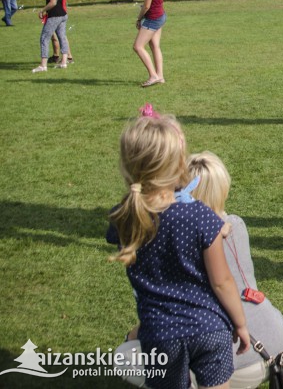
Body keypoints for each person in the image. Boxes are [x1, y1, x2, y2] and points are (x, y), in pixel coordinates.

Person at [115, 152, 283, 389]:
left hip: (228, 353)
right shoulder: (236, 225)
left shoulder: (175, 237)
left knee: (124, 357)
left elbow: (164, 311)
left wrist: (133, 335)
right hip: (278, 342)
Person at [106, 107, 250, 389]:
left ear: (127, 166)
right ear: (178, 166)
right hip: (209, 328)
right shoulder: (200, 216)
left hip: (160, 335)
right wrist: (241, 323)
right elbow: (221, 282)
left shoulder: (123, 218)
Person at [134, 0, 168, 88]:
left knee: (138, 47)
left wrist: (139, 18)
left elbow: (147, 6)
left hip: (153, 18)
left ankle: (153, 76)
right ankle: (160, 76)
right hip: (160, 16)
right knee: (155, 46)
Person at [32, 0, 70, 73]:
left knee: (44, 37)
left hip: (55, 16)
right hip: (63, 14)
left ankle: (43, 65)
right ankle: (64, 62)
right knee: (62, 37)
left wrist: (42, 10)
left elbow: (53, 2)